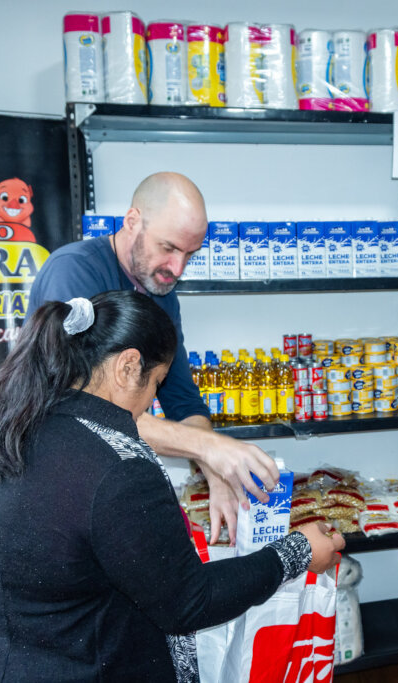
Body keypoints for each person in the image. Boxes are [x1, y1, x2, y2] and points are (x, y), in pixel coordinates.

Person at [0, 291, 344, 681]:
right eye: (156, 384)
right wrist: (298, 551)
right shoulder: (117, 464)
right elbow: (189, 603)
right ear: (127, 367)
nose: (149, 405)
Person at [27, 172, 272, 546]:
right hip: (50, 484)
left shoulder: (162, 292)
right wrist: (209, 448)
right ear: (132, 221)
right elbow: (83, 406)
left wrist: (216, 470)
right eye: (169, 247)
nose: (178, 269)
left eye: (190, 254)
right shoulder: (74, 271)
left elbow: (182, 398)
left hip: (105, 484)